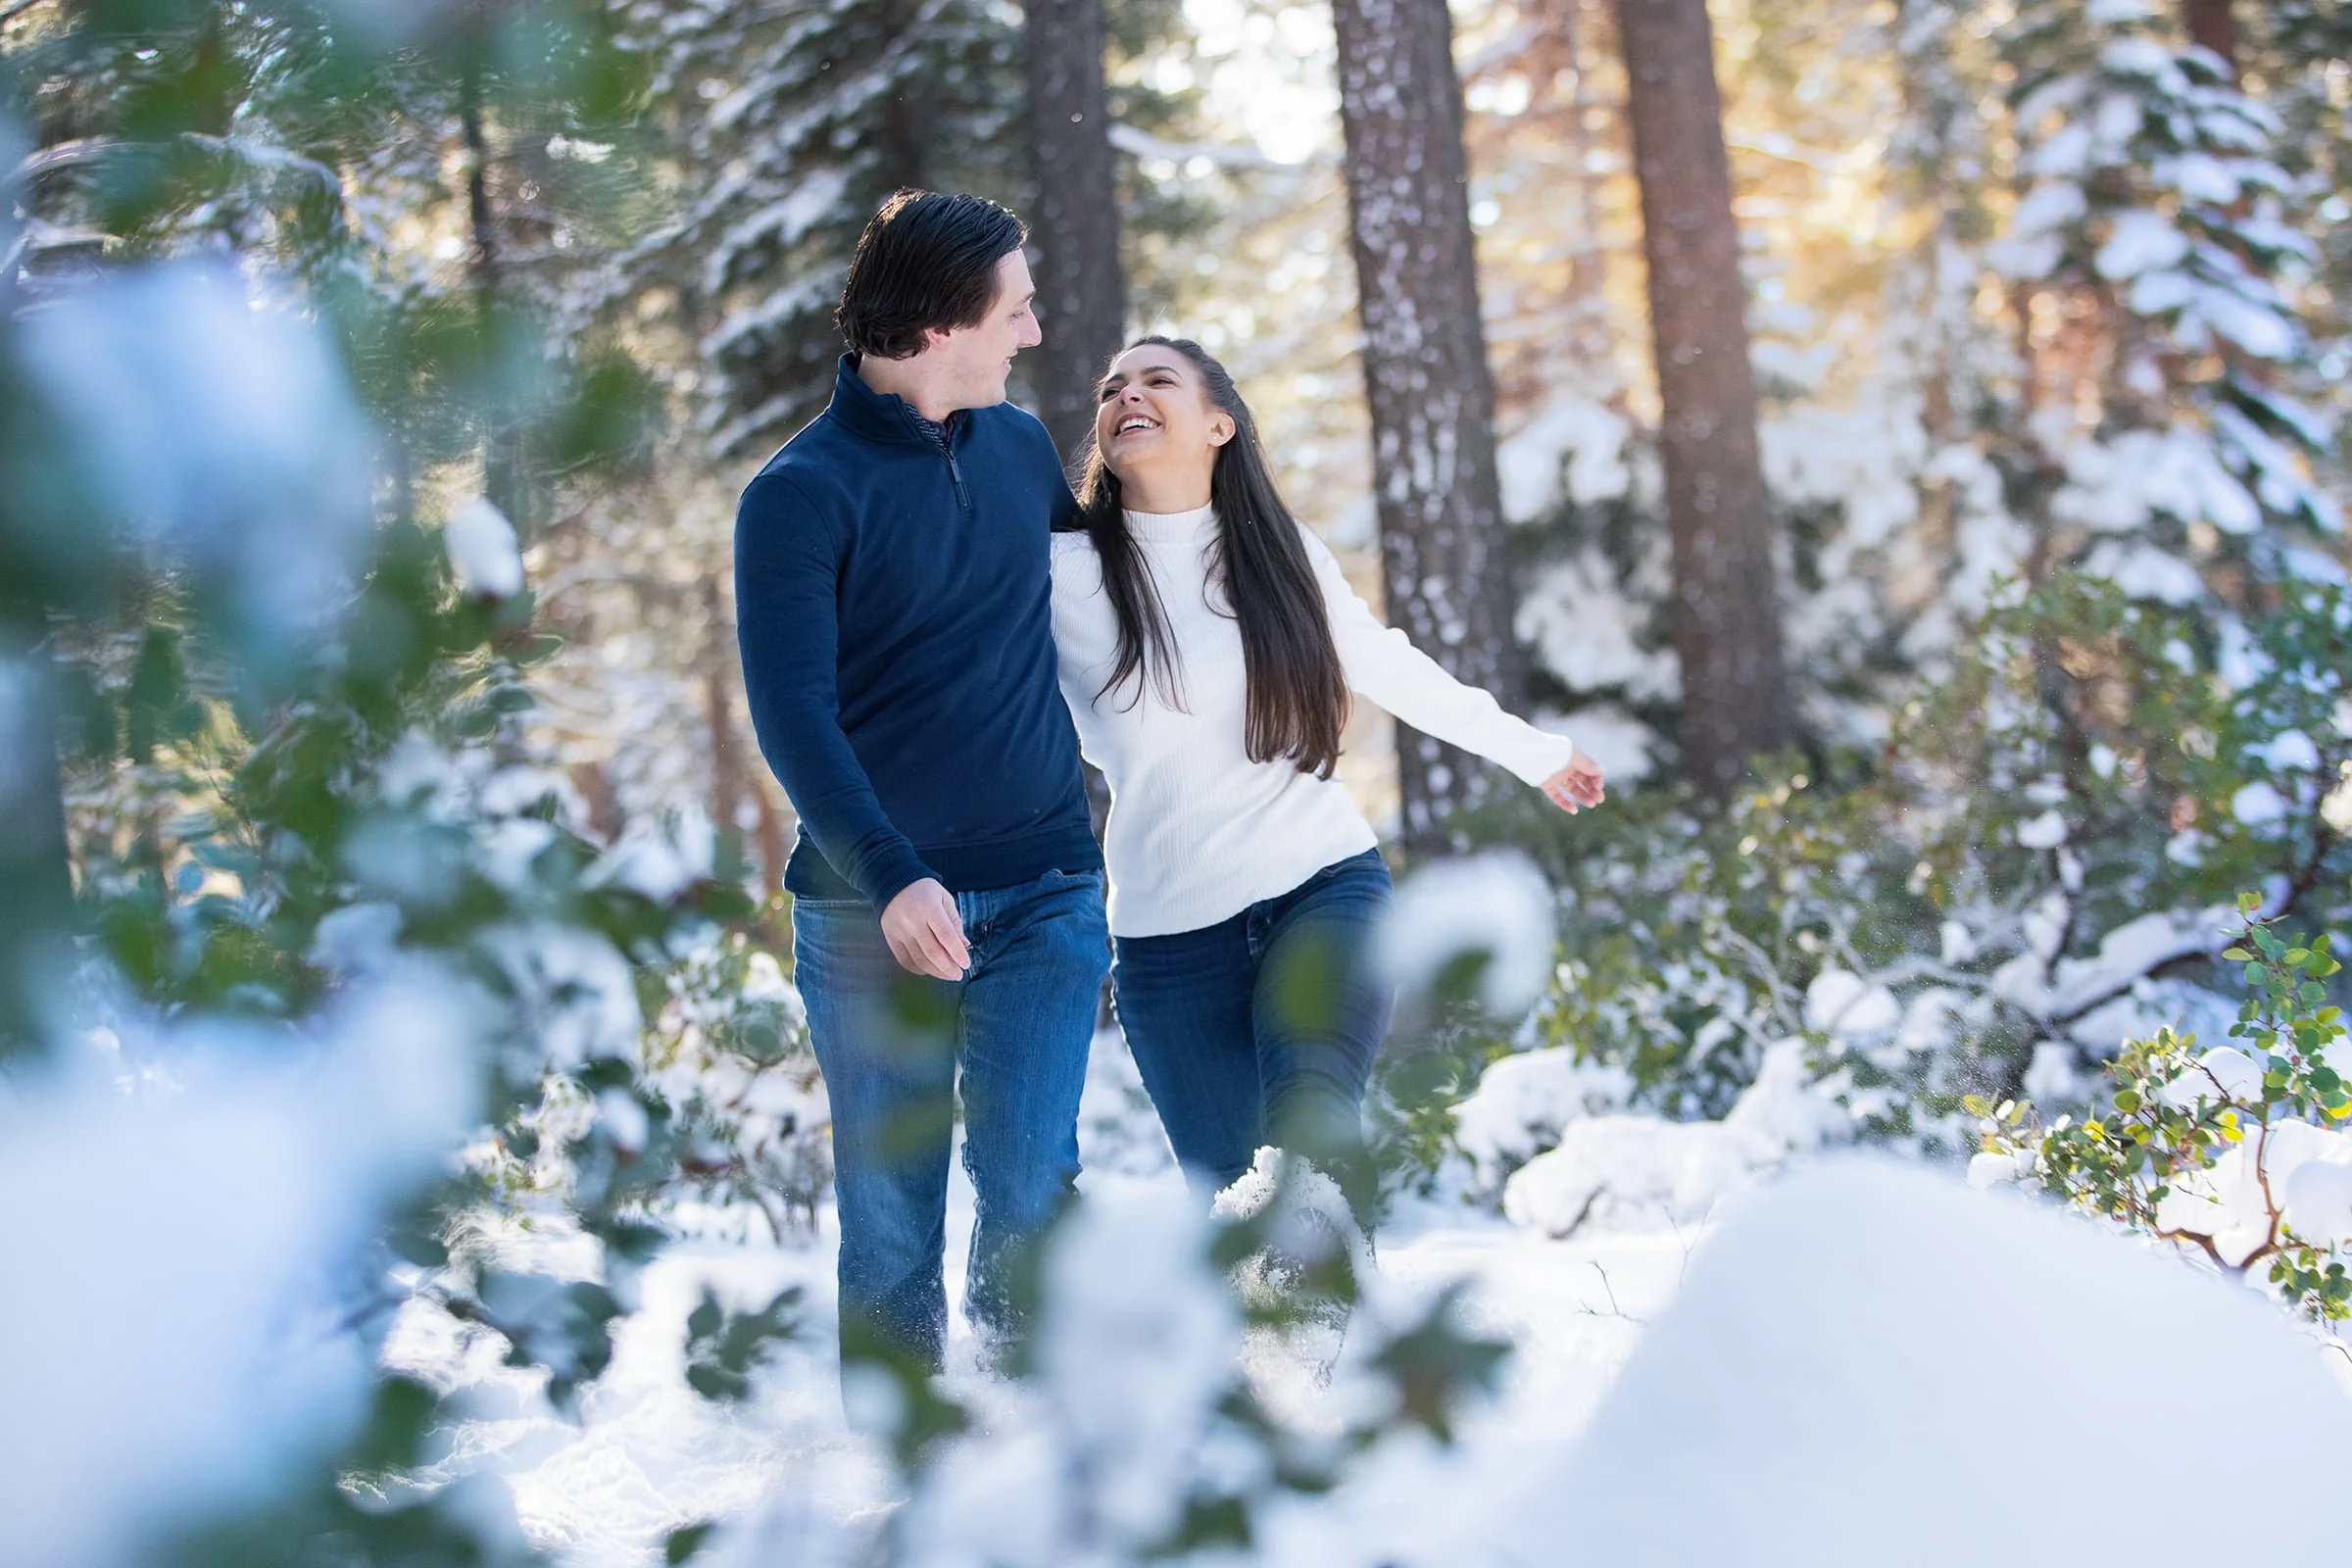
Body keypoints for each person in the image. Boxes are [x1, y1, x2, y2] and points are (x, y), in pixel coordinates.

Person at [1051, 336, 1606, 1213]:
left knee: (1311, 1142)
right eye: (1112, 386)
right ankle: (1306, 1350)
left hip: (1319, 886)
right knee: (1235, 1211)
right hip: (1165, 938)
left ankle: (1345, 1325)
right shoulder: (1061, 577)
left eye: (1159, 381)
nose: (1127, 396)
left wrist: (1533, 752)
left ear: (1220, 425)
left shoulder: (1277, 551)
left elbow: (1387, 665)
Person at [734, 191, 1107, 1375]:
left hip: (1048, 887)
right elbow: (792, 714)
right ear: (941, 328)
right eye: (1016, 310)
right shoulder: (799, 494)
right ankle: (905, 1482)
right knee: (893, 1214)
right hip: (868, 912)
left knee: (1033, 1184)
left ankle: (1030, 1447)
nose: (1034, 333)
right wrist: (894, 877)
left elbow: (1109, 621)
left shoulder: (1021, 449)